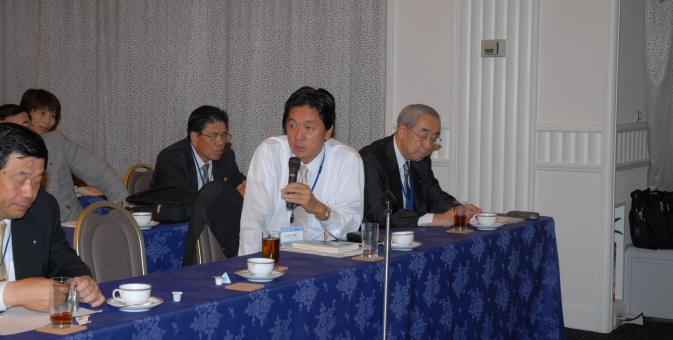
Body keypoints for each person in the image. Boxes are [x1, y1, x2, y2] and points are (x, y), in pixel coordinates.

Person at [0, 124, 104, 315]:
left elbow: (62, 260)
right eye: (19, 180)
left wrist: (80, 281)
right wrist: (15, 293)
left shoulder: (42, 208)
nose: (30, 193)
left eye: (37, 181)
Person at [239, 86, 364, 255]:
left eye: (308, 128)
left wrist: (318, 208)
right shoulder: (269, 153)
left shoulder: (347, 160)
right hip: (275, 254)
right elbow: (253, 222)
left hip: (324, 258)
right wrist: (254, 264)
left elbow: (350, 227)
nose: (298, 136)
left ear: (328, 132)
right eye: (292, 126)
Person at [359, 103, 481, 228]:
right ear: (402, 130)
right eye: (423, 137)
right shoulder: (371, 158)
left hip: (415, 235)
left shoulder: (422, 161)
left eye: (433, 139)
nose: (428, 146)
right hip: (380, 236)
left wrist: (461, 210)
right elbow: (378, 211)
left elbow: (435, 198)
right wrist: (435, 219)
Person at [20, 88, 129, 222]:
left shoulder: (56, 141)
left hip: (68, 221)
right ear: (26, 113)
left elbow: (99, 171)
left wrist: (124, 209)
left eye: (53, 116)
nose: (47, 121)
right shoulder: (8, 148)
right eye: (42, 113)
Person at [150, 105, 246, 194]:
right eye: (213, 135)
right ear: (194, 138)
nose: (221, 142)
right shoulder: (171, 159)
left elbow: (242, 185)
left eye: (223, 135)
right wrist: (233, 197)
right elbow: (181, 200)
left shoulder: (226, 156)